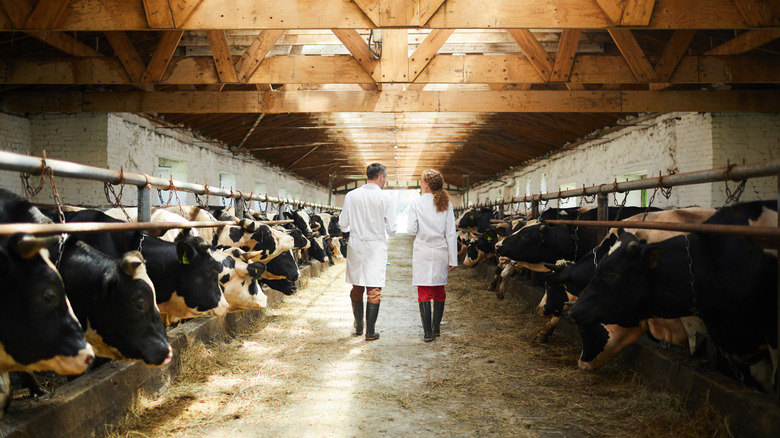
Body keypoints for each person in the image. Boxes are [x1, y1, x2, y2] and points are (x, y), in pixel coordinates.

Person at [339, 163, 397, 341]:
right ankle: (370, 332)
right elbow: (392, 230)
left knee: (357, 285)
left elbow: (343, 224)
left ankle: (358, 326)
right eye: (385, 177)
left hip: (356, 244)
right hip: (375, 247)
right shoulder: (386, 198)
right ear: (381, 176)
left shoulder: (351, 195)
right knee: (374, 288)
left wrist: (356, 228)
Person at [406, 169, 457, 342]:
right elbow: (451, 233)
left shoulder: (416, 203)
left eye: (421, 181)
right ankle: (436, 330)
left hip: (423, 251)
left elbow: (411, 230)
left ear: (427, 184)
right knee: (439, 291)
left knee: (424, 291)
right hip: (441, 251)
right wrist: (453, 259)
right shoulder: (446, 204)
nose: (420, 184)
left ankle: (427, 333)